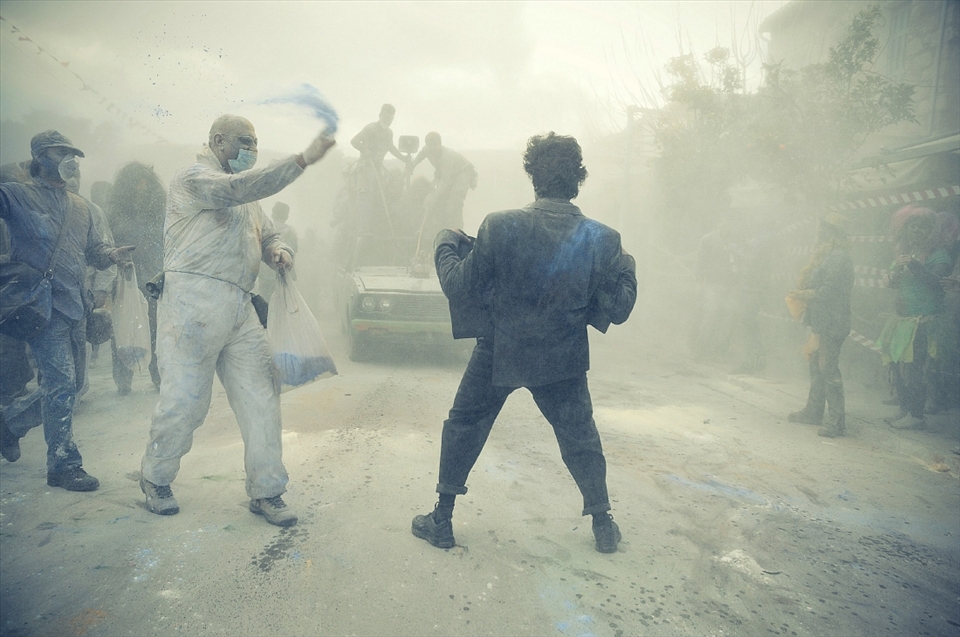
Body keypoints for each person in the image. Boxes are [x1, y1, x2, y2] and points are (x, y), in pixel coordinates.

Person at [411, 132, 637, 553]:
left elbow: (460, 286)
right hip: (562, 358)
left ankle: (441, 519)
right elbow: (619, 309)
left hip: (500, 351)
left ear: (533, 176)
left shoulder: (501, 225)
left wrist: (444, 242)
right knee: (580, 436)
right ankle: (603, 523)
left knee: (464, 425)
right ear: (578, 180)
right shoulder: (603, 239)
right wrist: (628, 266)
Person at [138, 114, 335, 526]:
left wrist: (278, 250)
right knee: (186, 402)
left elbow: (266, 234)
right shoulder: (194, 179)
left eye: (256, 143)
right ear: (217, 139)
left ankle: (268, 491)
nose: (252, 151)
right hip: (192, 304)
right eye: (245, 142)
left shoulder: (248, 201)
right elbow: (241, 187)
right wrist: (301, 160)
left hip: (240, 305)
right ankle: (155, 477)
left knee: (261, 398)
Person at [0, 131, 133, 489]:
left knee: (73, 384)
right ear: (39, 158)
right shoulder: (16, 195)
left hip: (75, 305)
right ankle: (63, 464)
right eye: (60, 154)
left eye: (72, 155)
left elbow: (93, 250)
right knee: (60, 382)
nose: (70, 162)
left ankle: (9, 424)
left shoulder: (82, 207)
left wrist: (111, 255)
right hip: (39, 306)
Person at [879, 205, 953, 430]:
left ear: (933, 231)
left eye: (924, 228)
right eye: (913, 227)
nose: (918, 232)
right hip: (902, 322)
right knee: (898, 367)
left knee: (914, 369)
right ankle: (905, 409)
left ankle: (917, 415)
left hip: (924, 322)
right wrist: (892, 277)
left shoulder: (939, 255)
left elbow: (936, 282)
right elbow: (896, 284)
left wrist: (913, 265)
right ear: (906, 230)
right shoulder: (905, 254)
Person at [786, 214, 854, 438]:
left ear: (832, 233)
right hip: (822, 321)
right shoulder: (827, 256)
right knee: (816, 366)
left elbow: (829, 291)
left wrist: (806, 294)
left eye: (822, 230)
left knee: (827, 368)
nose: (818, 234)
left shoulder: (838, 257)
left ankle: (837, 422)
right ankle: (814, 412)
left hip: (832, 322)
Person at [106, 162, 166, 393]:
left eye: (145, 182)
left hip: (154, 277)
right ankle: (123, 380)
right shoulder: (114, 213)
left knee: (156, 328)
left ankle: (159, 375)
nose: (141, 188)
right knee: (122, 329)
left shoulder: (160, 211)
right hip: (124, 278)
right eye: (136, 183)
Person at [406, 132, 477, 242]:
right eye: (430, 145)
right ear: (426, 145)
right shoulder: (426, 150)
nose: (433, 148)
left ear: (440, 143)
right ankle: (434, 228)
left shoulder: (447, 157)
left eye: (435, 144)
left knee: (454, 199)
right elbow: (419, 157)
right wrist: (412, 166)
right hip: (447, 174)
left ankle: (457, 232)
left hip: (462, 173)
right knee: (438, 198)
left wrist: (432, 196)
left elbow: (444, 182)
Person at [350, 104, 409, 235]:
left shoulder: (389, 133)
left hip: (379, 169)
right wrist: (365, 150)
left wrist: (403, 158)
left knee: (385, 195)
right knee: (366, 198)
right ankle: (363, 231)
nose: (388, 121)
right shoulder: (370, 128)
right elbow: (354, 141)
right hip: (366, 168)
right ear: (380, 115)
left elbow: (391, 147)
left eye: (391, 119)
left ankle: (380, 227)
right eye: (386, 117)